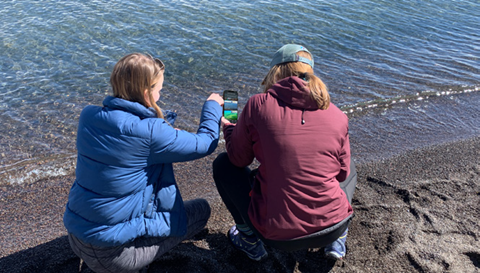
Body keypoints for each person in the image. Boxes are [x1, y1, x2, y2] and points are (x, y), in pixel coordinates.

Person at [63, 53, 224, 273]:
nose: (161, 93)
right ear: (146, 92)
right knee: (202, 211)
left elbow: (126, 145)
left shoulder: (88, 116)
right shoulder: (151, 133)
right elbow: (205, 143)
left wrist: (163, 135)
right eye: (159, 89)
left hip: (76, 237)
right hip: (116, 255)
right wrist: (212, 107)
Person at [213, 44, 357, 261]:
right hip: (334, 225)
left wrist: (230, 126)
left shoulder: (258, 105)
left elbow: (238, 158)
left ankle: (249, 240)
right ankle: (337, 241)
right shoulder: (336, 114)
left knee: (223, 164)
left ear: (276, 72)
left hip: (276, 235)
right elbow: (342, 175)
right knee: (347, 164)